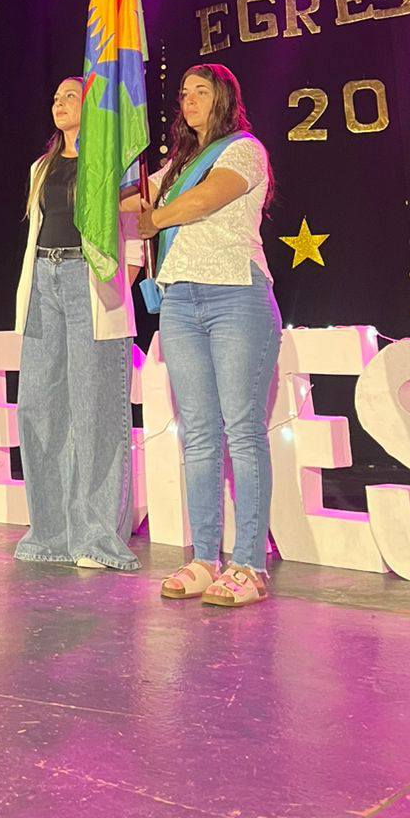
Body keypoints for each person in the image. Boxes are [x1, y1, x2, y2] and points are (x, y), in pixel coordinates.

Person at [136, 63, 281, 607]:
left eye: (202, 91)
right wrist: (102, 157)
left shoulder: (243, 149)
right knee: (197, 433)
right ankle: (204, 558)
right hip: (179, 300)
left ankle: (249, 565)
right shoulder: (177, 166)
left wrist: (156, 218)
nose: (190, 100)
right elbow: (132, 199)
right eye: (184, 93)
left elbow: (206, 200)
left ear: (224, 98)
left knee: (242, 430)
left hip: (235, 294)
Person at [14, 77, 145, 572]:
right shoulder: (41, 166)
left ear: (91, 107)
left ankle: (96, 537)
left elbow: (131, 230)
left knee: (95, 410)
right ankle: (50, 533)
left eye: (71, 96)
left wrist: (118, 284)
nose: (59, 103)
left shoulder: (112, 163)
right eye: (55, 97)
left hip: (87, 280)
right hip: (43, 280)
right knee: (39, 406)